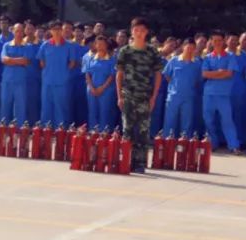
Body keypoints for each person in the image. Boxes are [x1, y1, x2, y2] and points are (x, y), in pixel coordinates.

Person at [115, 17, 164, 173]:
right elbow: (119, 75)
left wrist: (154, 97)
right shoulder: (125, 51)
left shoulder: (152, 52)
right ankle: (125, 161)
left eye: (142, 30)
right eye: (136, 30)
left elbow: (158, 75)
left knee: (143, 131)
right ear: (132, 31)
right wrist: (119, 96)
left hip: (144, 96)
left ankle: (140, 163)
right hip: (128, 95)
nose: (139, 33)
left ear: (147, 32)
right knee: (127, 130)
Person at [201, 30, 242, 153]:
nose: (217, 43)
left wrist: (214, 74)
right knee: (208, 120)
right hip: (209, 94)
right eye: (215, 41)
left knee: (227, 120)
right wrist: (220, 72)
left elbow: (229, 74)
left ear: (223, 41)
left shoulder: (230, 56)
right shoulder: (208, 57)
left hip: (223, 94)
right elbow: (204, 74)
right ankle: (212, 143)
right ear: (211, 42)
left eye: (219, 40)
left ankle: (233, 145)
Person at [162, 39, 202, 138]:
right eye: (188, 47)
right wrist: (174, 85)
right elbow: (167, 75)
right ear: (183, 47)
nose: (190, 50)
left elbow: (198, 79)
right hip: (174, 96)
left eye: (192, 48)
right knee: (170, 120)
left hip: (189, 97)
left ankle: (184, 142)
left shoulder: (197, 63)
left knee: (187, 122)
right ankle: (167, 141)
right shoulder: (174, 60)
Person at [37, 21, 73, 127]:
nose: (57, 32)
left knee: (60, 106)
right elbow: (41, 62)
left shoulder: (68, 46)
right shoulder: (45, 45)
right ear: (50, 31)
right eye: (54, 29)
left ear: (62, 30)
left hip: (62, 81)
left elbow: (72, 63)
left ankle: (60, 129)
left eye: (59, 29)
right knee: (46, 105)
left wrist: (63, 73)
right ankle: (46, 129)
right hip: (47, 80)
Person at [84, 35, 116, 130]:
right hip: (92, 90)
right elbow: (87, 74)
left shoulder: (112, 60)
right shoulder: (90, 58)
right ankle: (93, 134)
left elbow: (112, 76)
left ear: (107, 45)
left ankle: (104, 135)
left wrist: (102, 87)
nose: (100, 46)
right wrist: (92, 87)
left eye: (103, 44)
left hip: (106, 90)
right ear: (95, 45)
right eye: (98, 44)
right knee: (92, 112)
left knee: (105, 112)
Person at [0, 22, 30, 123]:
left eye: (21, 31)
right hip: (7, 80)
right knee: (5, 104)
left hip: (20, 80)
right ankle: (4, 126)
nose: (19, 33)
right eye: (17, 31)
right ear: (12, 31)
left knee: (20, 105)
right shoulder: (6, 45)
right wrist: (18, 61)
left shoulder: (27, 46)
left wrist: (11, 60)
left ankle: (19, 128)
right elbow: (4, 60)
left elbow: (25, 61)